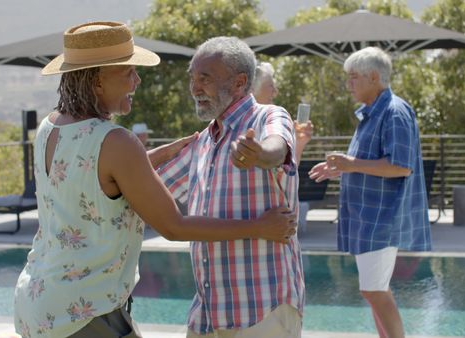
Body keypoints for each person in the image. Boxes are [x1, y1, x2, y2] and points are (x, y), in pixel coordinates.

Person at [13, 22, 297, 338]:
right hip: (84, 312)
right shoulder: (117, 142)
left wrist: (259, 154)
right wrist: (259, 227)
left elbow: (90, 178)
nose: (137, 80)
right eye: (128, 72)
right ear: (96, 80)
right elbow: (173, 226)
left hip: (38, 303)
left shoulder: (49, 127)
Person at [157, 37, 305, 337]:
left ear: (239, 83)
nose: (195, 88)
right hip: (208, 315)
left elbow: (277, 146)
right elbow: (151, 188)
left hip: (262, 311)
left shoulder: (268, 116)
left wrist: (259, 154)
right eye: (193, 78)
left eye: (205, 78)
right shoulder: (202, 141)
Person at [309, 47, 432, 338]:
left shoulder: (394, 112)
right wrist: (340, 169)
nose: (348, 84)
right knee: (374, 290)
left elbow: (401, 167)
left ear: (374, 77)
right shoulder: (372, 113)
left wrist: (351, 164)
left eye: (353, 78)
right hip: (369, 218)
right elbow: (369, 164)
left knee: (374, 290)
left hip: (382, 218)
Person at [253, 61, 313, 229]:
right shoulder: (241, 128)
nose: (275, 92)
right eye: (271, 86)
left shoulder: (272, 126)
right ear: (251, 89)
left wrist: (298, 143)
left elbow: (286, 171)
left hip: (277, 223)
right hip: (260, 222)